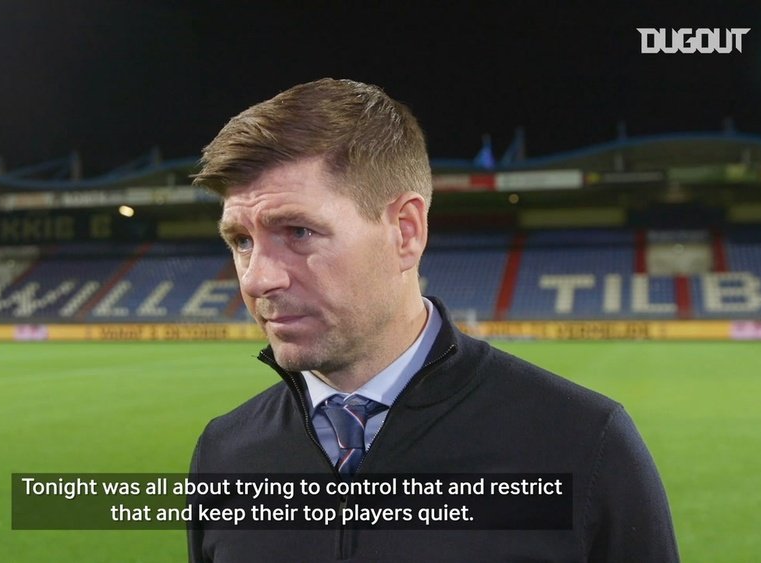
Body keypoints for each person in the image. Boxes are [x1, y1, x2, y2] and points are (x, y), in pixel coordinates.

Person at [187, 78, 678, 562]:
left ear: (406, 232)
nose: (256, 280)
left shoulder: (582, 442)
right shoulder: (224, 452)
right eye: (241, 241)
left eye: (298, 231)